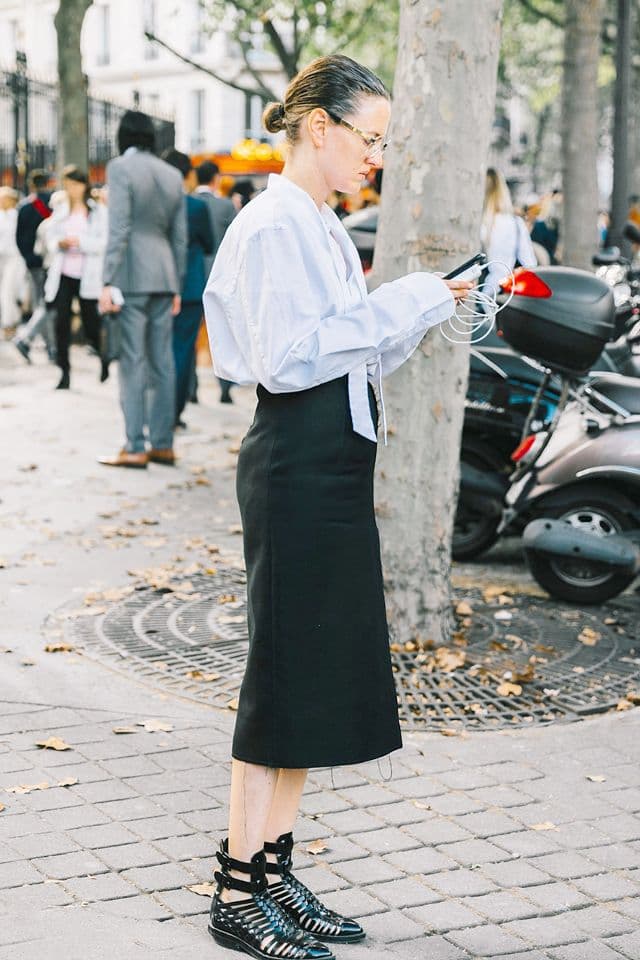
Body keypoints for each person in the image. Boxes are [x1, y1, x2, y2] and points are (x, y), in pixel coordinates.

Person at [203, 54, 472, 960]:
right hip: (294, 465)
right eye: (370, 138)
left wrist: (424, 310)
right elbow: (287, 360)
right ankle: (238, 891)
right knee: (282, 673)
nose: (376, 158)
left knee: (311, 674)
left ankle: (272, 871)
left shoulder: (315, 222)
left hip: (328, 460)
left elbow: (343, 357)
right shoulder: (277, 223)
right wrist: (408, 296)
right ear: (318, 127)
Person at [98, 110, 187, 469]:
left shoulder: (120, 168)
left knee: (132, 361)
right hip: (165, 274)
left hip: (133, 273)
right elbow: (178, 237)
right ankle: (162, 443)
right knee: (162, 362)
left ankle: (135, 444)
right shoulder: (172, 173)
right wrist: (177, 283)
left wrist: (106, 278)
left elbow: (119, 227)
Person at [162, 149, 214, 428]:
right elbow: (208, 243)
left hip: (159, 285)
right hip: (191, 286)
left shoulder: (157, 205)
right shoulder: (195, 207)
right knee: (182, 351)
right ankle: (174, 411)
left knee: (160, 350)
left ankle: (158, 409)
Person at [42, 167, 107, 390]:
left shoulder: (96, 211)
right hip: (64, 273)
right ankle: (64, 372)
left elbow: (103, 243)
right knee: (61, 323)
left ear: (84, 185)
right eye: (68, 185)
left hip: (87, 274)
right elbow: (50, 236)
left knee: (91, 323)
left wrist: (81, 242)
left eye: (76, 184)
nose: (72, 189)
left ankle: (102, 355)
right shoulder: (60, 209)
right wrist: (58, 243)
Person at [194, 160, 237, 403]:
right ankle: (225, 387)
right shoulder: (225, 206)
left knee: (189, 335)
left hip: (191, 277)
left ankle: (191, 389)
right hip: (219, 276)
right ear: (216, 179)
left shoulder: (187, 203)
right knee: (223, 333)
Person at [13, 170, 54, 362]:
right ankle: (35, 340)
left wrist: (28, 257)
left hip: (33, 262)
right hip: (53, 261)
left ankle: (49, 345)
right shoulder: (55, 203)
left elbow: (19, 237)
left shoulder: (25, 206)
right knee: (48, 304)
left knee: (42, 302)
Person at [481, 168, 536, 295]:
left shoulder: (477, 223)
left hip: (475, 295)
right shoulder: (516, 223)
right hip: (505, 294)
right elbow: (530, 263)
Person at [0, 187, 25, 332]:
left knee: (8, 290)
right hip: (2, 258)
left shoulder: (16, 215)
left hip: (14, 257)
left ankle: (9, 323)